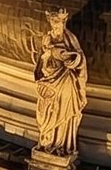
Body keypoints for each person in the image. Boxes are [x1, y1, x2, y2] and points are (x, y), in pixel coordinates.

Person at [32, 9, 87, 158]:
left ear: (63, 24)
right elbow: (41, 59)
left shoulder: (70, 39)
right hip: (49, 82)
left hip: (66, 83)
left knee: (63, 114)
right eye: (53, 25)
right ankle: (48, 142)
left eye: (58, 25)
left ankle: (61, 143)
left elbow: (79, 57)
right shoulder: (47, 38)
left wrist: (73, 60)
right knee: (48, 114)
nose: (56, 28)